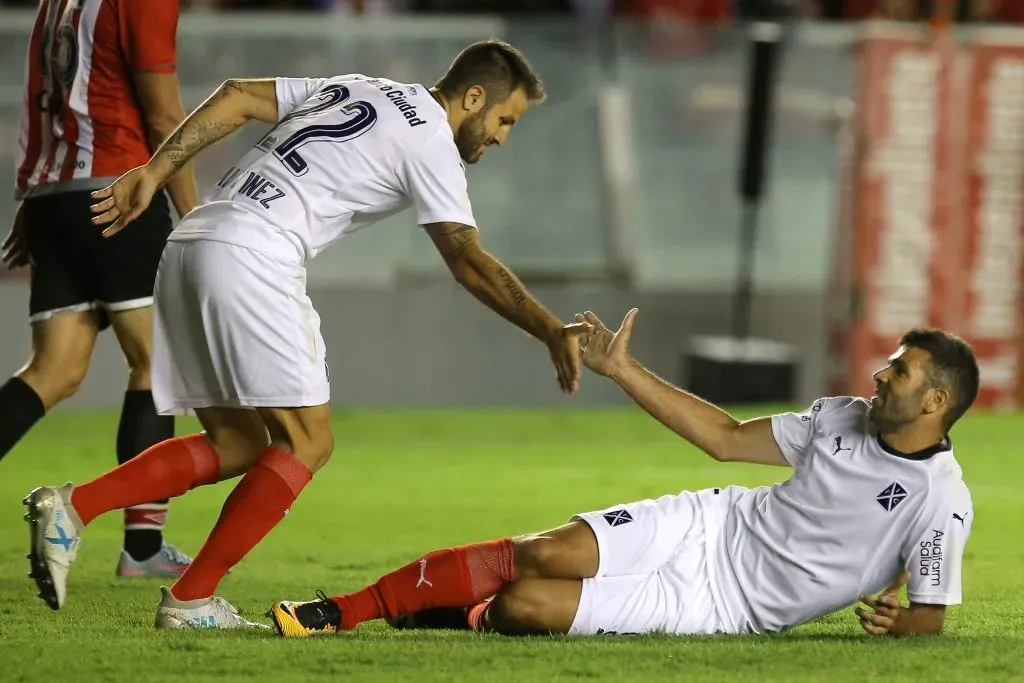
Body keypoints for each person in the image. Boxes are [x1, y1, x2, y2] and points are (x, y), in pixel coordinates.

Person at [23, 38, 590, 629]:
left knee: (237, 443)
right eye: (504, 119)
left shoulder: (357, 87)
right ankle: (190, 601)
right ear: (473, 97)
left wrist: (156, 170)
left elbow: (237, 95)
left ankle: (74, 507)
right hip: (254, 255)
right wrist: (549, 328)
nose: (501, 136)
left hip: (193, 243)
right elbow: (465, 257)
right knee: (307, 442)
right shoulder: (431, 142)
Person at [269, 309, 977, 639]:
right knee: (541, 551)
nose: (881, 375)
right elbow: (726, 439)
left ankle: (459, 607)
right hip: (711, 523)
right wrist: (622, 370)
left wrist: (901, 617)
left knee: (524, 606)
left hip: (725, 609)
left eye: (901, 371)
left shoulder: (941, 500)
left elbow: (930, 614)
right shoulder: (842, 416)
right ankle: (344, 609)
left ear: (936, 401)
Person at [4, 0, 198, 578]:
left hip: (55, 192)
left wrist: (39, 197)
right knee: (156, 363)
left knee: (53, 371)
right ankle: (141, 549)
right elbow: (165, 117)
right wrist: (195, 219)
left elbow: (42, 96)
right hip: (119, 192)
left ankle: (141, 547)